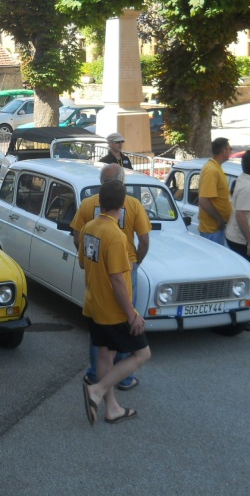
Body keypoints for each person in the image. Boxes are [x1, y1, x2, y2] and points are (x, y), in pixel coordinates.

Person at [71, 163, 150, 391]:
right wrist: (135, 262)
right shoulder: (133, 205)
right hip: (123, 270)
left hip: (96, 270)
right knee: (124, 323)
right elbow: (144, 241)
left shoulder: (88, 205)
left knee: (99, 326)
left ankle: (96, 375)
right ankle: (122, 378)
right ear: (122, 185)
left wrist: (89, 255)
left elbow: (77, 236)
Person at [198, 137, 233, 245]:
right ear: (223, 151)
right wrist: (219, 219)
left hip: (215, 229)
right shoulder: (211, 170)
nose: (231, 150)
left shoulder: (216, 167)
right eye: (229, 148)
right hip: (212, 229)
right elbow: (204, 200)